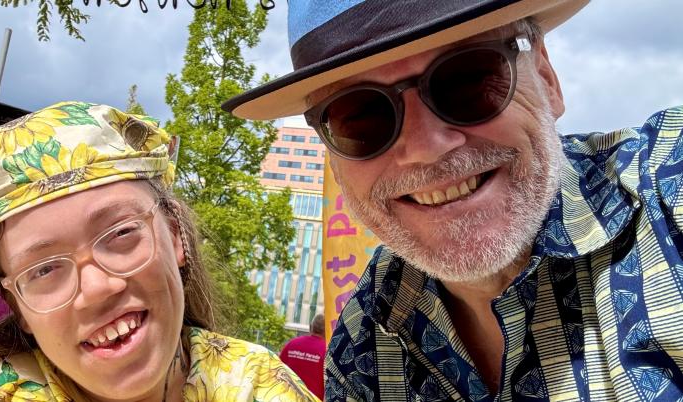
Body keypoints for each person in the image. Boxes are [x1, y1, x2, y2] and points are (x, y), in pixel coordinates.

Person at [222, 1, 683, 401]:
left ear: (545, 75)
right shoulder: (363, 344)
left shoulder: (667, 194)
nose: (426, 146)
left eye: (467, 78)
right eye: (361, 115)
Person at [0, 101, 319, 402]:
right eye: (45, 269)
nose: (98, 289)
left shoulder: (255, 382)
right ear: (11, 304)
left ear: (174, 237)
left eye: (120, 234)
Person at [279, 314, 326, 400]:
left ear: (310, 327)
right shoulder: (327, 351)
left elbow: (277, 369)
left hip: (287, 397)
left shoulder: (292, 344)